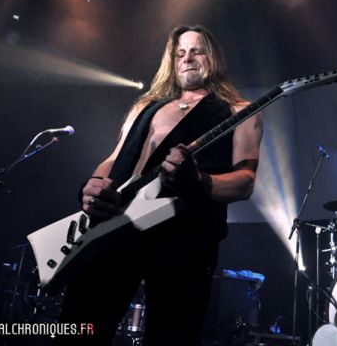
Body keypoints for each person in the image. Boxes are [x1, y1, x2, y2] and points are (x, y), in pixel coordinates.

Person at [56, 25, 263, 345]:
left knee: (172, 335)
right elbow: (115, 158)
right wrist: (94, 184)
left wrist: (198, 181)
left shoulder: (239, 111)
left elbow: (245, 182)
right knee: (80, 327)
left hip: (183, 235)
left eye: (197, 51)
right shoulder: (145, 107)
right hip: (113, 227)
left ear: (213, 58)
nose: (187, 58)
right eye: (180, 53)